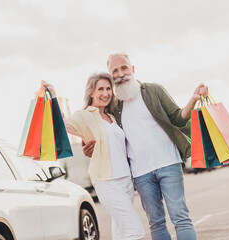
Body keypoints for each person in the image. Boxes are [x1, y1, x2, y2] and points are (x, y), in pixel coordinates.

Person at [83, 53, 208, 240]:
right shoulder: (113, 107)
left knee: (180, 217)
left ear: (132, 69)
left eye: (124, 68)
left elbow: (177, 117)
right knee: (156, 223)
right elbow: (103, 133)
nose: (121, 73)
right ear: (111, 76)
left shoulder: (154, 90)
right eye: (115, 71)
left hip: (168, 163)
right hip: (141, 174)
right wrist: (87, 147)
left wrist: (193, 99)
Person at [41, 73, 145, 240]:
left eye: (108, 89)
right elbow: (64, 123)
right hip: (107, 182)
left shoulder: (111, 117)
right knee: (135, 231)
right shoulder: (86, 115)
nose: (105, 93)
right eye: (100, 89)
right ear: (91, 93)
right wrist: (53, 97)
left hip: (125, 181)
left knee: (121, 231)